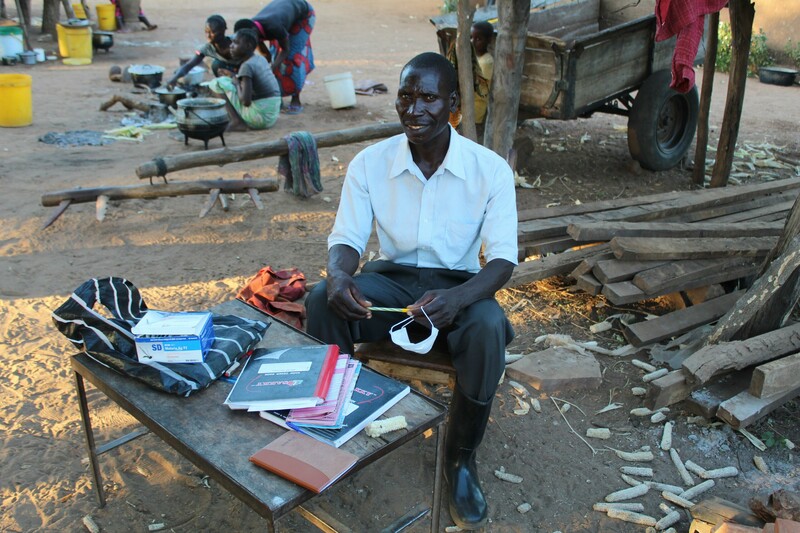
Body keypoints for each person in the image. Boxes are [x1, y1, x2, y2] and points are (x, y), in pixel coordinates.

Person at [305, 52, 518, 530]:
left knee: (485, 326)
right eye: (406, 96)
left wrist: (460, 300)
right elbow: (347, 240)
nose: (414, 109)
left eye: (428, 97)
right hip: (393, 282)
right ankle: (330, 429)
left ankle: (461, 460)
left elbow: (503, 259)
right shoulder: (370, 163)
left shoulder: (489, 171)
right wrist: (340, 277)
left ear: (453, 105)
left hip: (457, 288)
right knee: (322, 297)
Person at [234, 0, 315, 114]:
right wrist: (265, 65)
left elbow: (286, 50)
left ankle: (296, 99)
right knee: (274, 56)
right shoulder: (250, 29)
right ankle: (278, 97)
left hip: (303, 15)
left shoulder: (273, 27)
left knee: (292, 58)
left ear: (255, 34)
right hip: (283, 17)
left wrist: (270, 69)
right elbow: (265, 54)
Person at [205, 29, 282, 131]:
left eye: (236, 43)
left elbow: (245, 101)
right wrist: (234, 76)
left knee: (217, 83)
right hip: (271, 115)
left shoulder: (246, 66)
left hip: (260, 118)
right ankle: (237, 119)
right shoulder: (259, 59)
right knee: (227, 81)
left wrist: (236, 82)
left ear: (248, 46)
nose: (231, 46)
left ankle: (236, 122)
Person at [167, 15, 240, 88]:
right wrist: (174, 78)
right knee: (216, 65)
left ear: (223, 30)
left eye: (212, 32)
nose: (208, 36)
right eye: (206, 32)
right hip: (232, 76)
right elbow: (189, 65)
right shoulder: (207, 48)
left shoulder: (237, 42)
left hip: (245, 73)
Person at [471, 21, 494, 128]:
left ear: (489, 40)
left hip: (475, 110)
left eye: (478, 39)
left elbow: (479, 89)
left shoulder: (486, 62)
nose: (473, 42)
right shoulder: (475, 58)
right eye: (471, 38)